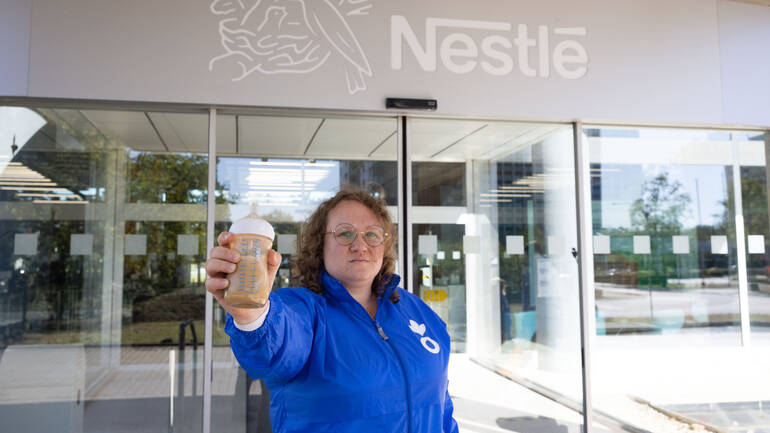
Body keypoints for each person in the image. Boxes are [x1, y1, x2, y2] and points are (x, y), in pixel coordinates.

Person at [205, 189, 459, 433]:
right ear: (320, 246)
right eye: (344, 233)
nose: (360, 245)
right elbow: (275, 345)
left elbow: (441, 406)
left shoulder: (416, 310)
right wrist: (251, 314)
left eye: (371, 234)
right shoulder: (304, 311)